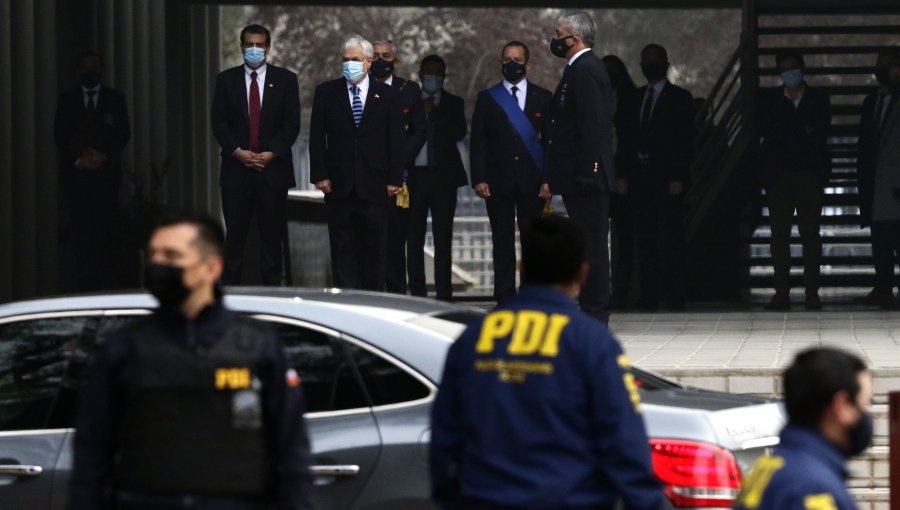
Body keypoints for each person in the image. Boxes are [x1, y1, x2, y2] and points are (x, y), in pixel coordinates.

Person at [69, 211, 312, 510]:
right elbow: (91, 455)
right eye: (154, 256)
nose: (158, 265)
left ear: (211, 268)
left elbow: (291, 454)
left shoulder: (259, 346)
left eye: (171, 256)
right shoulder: (123, 348)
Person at [430, 214, 664, 510]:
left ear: (523, 268)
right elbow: (624, 443)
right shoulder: (591, 342)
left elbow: (445, 436)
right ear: (583, 274)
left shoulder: (473, 339)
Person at [309, 35, 405, 290]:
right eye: (345, 60)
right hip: (339, 185)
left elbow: (395, 139)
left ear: (368, 62)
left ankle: (372, 302)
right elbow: (317, 137)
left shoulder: (388, 95)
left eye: (355, 60)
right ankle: (346, 301)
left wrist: (395, 179)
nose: (349, 64)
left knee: (375, 250)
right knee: (343, 250)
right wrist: (320, 174)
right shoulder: (326, 92)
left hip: (376, 185)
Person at [211, 24, 301, 286]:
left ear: (268, 48)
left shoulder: (285, 80)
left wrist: (272, 152)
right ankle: (230, 298)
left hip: (272, 172)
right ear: (241, 47)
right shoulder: (226, 80)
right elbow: (219, 122)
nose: (254, 50)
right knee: (235, 239)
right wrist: (238, 152)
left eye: (259, 45)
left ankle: (273, 299)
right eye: (249, 44)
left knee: (272, 240)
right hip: (236, 172)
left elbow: (291, 123)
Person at [733, 347, 873, 509]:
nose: (867, 414)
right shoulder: (812, 489)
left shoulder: (767, 467)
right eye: (866, 403)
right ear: (841, 406)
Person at [544, 12, 616, 323]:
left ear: (574, 38)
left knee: (593, 246)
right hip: (578, 175)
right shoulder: (576, 69)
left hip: (586, 177)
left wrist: (590, 170)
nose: (554, 38)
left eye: (558, 33)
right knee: (586, 244)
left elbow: (593, 125)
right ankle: (590, 307)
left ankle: (595, 310)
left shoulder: (585, 69)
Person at [470, 41, 553, 303]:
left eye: (517, 60)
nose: (512, 64)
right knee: (502, 242)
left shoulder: (544, 97)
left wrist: (548, 179)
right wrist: (479, 178)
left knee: (533, 243)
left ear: (528, 64)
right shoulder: (487, 98)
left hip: (533, 182)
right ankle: (505, 296)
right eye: (507, 59)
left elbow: (551, 142)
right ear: (500, 63)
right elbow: (478, 142)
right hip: (497, 182)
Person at [617, 44, 694, 311]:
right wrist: (622, 174)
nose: (650, 63)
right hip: (640, 179)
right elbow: (626, 139)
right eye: (646, 59)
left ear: (666, 62)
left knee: (672, 238)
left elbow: (685, 142)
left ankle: (675, 296)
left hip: (667, 178)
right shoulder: (634, 99)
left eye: (655, 59)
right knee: (644, 240)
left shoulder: (681, 98)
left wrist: (679, 176)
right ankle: (648, 296)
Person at [758, 50, 831, 311]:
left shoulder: (819, 99)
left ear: (802, 68)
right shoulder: (770, 100)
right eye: (785, 69)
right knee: (779, 235)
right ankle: (782, 292)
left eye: (793, 68)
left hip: (809, 174)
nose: (790, 73)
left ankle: (811, 292)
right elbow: (770, 134)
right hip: (779, 176)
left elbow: (819, 135)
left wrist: (791, 134)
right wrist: (801, 132)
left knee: (810, 234)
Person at [54, 51, 131, 292]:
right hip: (76, 183)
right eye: (85, 68)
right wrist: (79, 159)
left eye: (94, 68)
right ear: (77, 71)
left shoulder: (114, 99)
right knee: (80, 241)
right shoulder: (67, 100)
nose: (90, 73)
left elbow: (122, 133)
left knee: (106, 240)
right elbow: (60, 134)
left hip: (106, 182)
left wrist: (103, 156)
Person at [407, 54, 468, 300]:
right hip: (414, 178)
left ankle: (444, 293)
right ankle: (418, 292)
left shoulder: (454, 103)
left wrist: (435, 113)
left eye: (438, 74)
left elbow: (459, 132)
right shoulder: (408, 101)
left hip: (443, 179)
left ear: (444, 77)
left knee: (444, 237)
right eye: (429, 73)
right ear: (420, 75)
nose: (433, 78)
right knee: (413, 237)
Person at [371, 40, 428, 294]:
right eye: (375, 56)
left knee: (396, 240)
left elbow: (419, 130)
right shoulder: (358, 88)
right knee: (369, 240)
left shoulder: (409, 89)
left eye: (386, 56)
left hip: (399, 180)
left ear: (396, 61)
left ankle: (395, 293)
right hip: (367, 176)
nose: (381, 60)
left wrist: (396, 160)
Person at [857, 49, 900, 308]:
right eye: (880, 66)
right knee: (881, 237)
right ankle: (883, 287)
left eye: (890, 65)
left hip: (895, 180)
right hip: (876, 181)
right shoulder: (871, 102)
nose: (883, 70)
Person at [602, 54, 639, 310]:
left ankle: (622, 293)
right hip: (598, 176)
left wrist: (623, 173)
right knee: (596, 240)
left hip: (623, 177)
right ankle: (600, 292)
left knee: (625, 239)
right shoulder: (593, 98)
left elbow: (631, 140)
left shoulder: (631, 100)